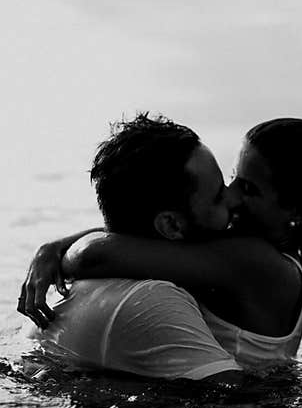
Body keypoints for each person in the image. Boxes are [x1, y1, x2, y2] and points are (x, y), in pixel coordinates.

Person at [21, 117, 302, 381]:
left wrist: (58, 251)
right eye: (234, 178)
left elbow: (97, 254)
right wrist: (52, 247)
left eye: (249, 190)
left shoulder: (254, 262)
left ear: (298, 212)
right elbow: (145, 238)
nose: (232, 195)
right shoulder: (243, 253)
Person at [19, 113, 245, 383]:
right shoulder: (154, 299)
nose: (234, 198)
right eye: (218, 195)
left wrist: (53, 248)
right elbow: (232, 396)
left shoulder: (71, 287)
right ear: (171, 225)